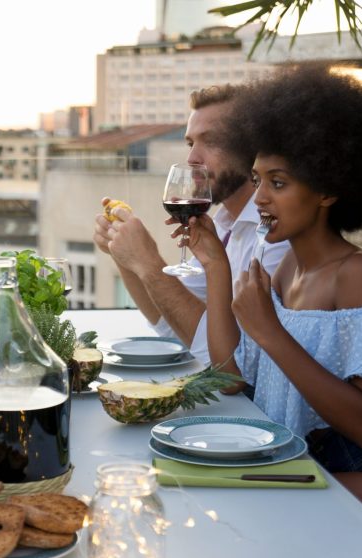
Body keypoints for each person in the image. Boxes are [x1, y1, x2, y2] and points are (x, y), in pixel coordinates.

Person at [184, 66, 362, 533]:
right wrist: (217, 268)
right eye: (258, 179)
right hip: (309, 461)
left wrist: (270, 332)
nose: (260, 197)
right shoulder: (286, 269)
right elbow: (229, 379)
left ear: (328, 190)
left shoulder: (360, 276)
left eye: (278, 183)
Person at [93, 85, 289, 366]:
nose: (192, 158)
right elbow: (172, 323)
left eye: (210, 141)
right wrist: (124, 255)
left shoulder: (276, 235)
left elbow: (232, 365)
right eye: (190, 143)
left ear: (252, 147)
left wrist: (149, 263)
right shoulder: (221, 225)